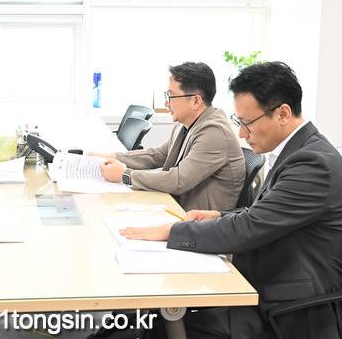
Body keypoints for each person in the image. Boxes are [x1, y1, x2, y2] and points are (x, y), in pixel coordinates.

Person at [120, 61, 342, 339]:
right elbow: (267, 214)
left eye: (247, 123)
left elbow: (251, 227)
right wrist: (219, 216)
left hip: (287, 309)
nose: (241, 133)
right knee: (151, 313)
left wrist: (173, 231)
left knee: (158, 325)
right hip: (262, 284)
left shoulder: (314, 163)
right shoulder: (298, 151)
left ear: (283, 114)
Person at [97, 62, 245, 211]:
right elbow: (158, 155)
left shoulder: (214, 132)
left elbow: (179, 180)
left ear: (195, 101)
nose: (166, 102)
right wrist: (110, 157)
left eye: (171, 96)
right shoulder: (187, 125)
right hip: (179, 208)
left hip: (199, 220)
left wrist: (126, 175)